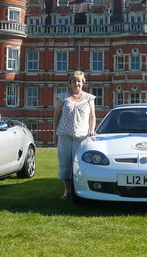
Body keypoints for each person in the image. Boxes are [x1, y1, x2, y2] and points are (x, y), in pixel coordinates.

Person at [53, 71, 96, 200]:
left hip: (81, 137)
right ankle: (67, 192)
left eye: (79, 81)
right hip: (64, 136)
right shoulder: (62, 97)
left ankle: (80, 191)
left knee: (79, 165)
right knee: (65, 165)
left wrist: (92, 130)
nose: (76, 84)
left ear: (83, 83)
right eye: (74, 81)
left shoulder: (89, 98)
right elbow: (56, 116)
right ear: (70, 83)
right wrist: (55, 133)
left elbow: (92, 116)